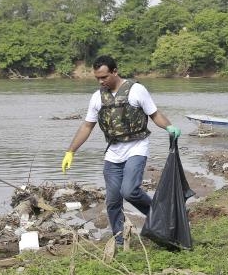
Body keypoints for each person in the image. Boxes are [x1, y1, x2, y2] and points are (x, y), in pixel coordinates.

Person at [61, 55, 181, 245]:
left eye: (104, 77)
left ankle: (162, 217)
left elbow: (155, 114)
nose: (101, 81)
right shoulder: (97, 97)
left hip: (137, 147)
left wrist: (169, 127)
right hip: (113, 151)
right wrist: (71, 151)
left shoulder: (136, 90)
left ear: (115, 72)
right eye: (97, 78)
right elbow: (87, 126)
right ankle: (119, 239)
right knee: (113, 200)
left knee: (130, 191)